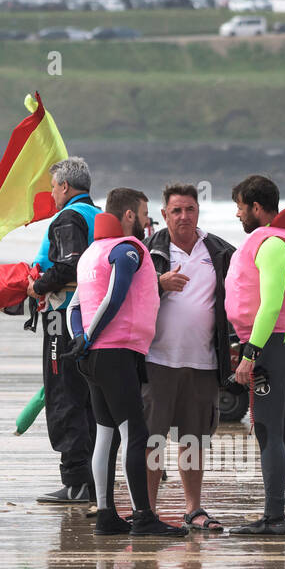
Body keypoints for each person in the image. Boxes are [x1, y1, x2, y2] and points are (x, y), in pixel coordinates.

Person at [68, 187, 185, 537]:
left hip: (94, 357)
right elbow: (115, 296)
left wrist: (81, 338)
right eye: (146, 212)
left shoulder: (91, 252)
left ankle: (106, 515)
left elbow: (75, 307)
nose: (149, 220)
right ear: (130, 215)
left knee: (106, 434)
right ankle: (144, 518)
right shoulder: (127, 251)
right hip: (115, 353)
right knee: (135, 432)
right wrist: (89, 337)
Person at [225, 175, 285, 536]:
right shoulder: (279, 239)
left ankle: (274, 517)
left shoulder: (274, 244)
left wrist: (250, 354)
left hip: (272, 345)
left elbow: (271, 304)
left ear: (256, 208)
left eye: (240, 207)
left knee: (268, 432)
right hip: (281, 344)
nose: (238, 215)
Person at [144, 183, 237, 532]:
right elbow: (125, 295)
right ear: (164, 214)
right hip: (156, 360)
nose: (184, 216)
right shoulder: (147, 251)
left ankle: (194, 509)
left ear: (198, 212)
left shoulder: (220, 251)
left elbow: (243, 298)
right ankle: (148, 511)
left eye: (190, 209)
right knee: (152, 440)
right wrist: (158, 283)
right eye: (177, 210)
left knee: (194, 440)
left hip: (204, 362)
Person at [27, 157, 101, 504]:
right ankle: (93, 480)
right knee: (89, 398)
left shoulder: (68, 218)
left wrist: (39, 285)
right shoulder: (98, 215)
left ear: (66, 187)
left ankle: (75, 482)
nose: (52, 193)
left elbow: (70, 263)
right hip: (93, 318)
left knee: (63, 396)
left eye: (54, 186)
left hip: (62, 316)